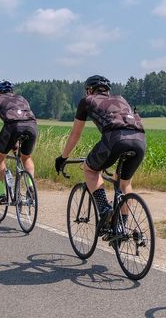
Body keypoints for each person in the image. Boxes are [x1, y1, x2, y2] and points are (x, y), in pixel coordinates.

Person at [55, 75, 146, 228]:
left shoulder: (87, 101)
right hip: (140, 141)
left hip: (115, 140)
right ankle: (121, 226)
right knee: (124, 183)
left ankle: (104, 209)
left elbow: (75, 134)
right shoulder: (121, 99)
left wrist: (63, 157)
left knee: (90, 170)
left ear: (90, 90)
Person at [0, 80, 37, 204]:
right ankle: (31, 188)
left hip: (13, 127)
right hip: (32, 126)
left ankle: (2, 194)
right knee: (26, 157)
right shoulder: (22, 98)